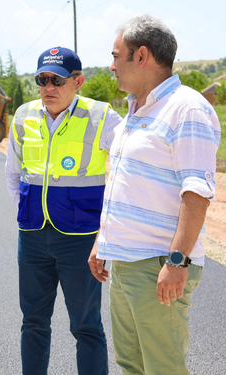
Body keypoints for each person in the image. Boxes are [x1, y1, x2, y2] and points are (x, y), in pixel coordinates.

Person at [88, 15, 221, 375]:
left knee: (163, 368)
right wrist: (104, 240)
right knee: (132, 364)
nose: (111, 66)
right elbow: (124, 184)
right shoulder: (135, 110)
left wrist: (176, 262)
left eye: (116, 56)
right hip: (125, 262)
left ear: (141, 56)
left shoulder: (186, 108)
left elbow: (196, 193)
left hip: (159, 264)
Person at [5, 46, 123, 375]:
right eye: (42, 80)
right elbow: (13, 173)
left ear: (78, 81)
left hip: (81, 240)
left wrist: (106, 231)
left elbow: (128, 169)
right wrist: (28, 212)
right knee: (33, 323)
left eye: (56, 80)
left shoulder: (102, 116)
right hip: (31, 236)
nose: (48, 88)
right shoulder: (24, 115)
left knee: (86, 326)